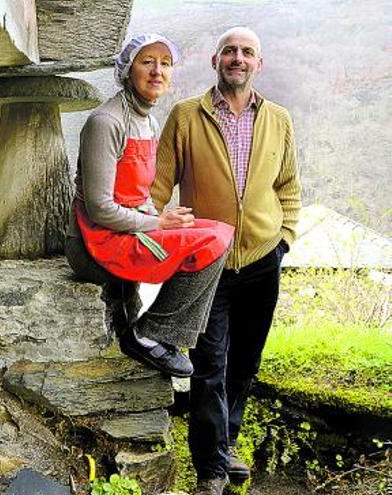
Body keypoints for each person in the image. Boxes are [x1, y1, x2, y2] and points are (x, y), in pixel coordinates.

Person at [151, 27, 301, 495]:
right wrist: (151, 229)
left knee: (245, 361)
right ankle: (211, 470)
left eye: (247, 52)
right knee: (209, 361)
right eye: (230, 51)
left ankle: (228, 441)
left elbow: (289, 187)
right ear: (216, 59)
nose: (238, 59)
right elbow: (158, 186)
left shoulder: (279, 119)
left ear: (260, 63)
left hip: (262, 258)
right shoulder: (185, 116)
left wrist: (285, 240)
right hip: (205, 261)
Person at [65, 33, 234, 379]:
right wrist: (158, 224)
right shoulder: (106, 123)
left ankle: (166, 334)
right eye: (147, 62)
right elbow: (99, 209)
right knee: (210, 242)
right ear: (128, 69)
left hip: (129, 228)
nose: (158, 71)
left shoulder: (150, 121)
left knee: (220, 232)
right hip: (95, 241)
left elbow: (139, 194)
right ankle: (148, 334)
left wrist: (160, 218)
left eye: (165, 63)